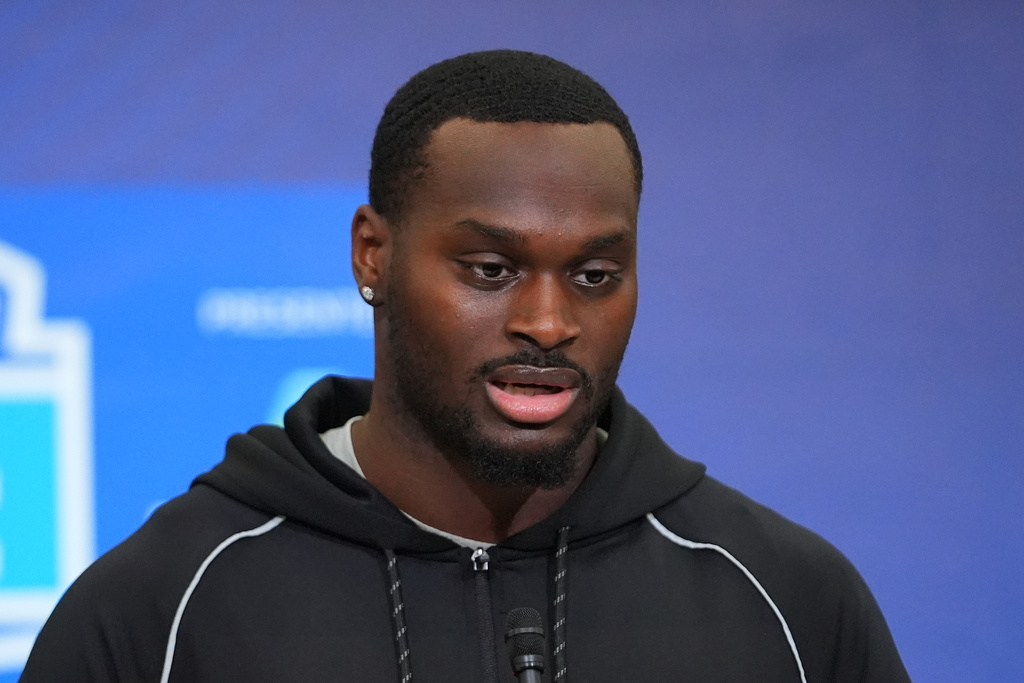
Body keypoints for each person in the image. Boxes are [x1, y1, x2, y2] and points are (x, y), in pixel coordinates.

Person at [21, 50, 910, 682]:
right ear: (372, 254)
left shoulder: (788, 600)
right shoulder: (162, 607)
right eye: (491, 269)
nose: (548, 323)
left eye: (595, 275)